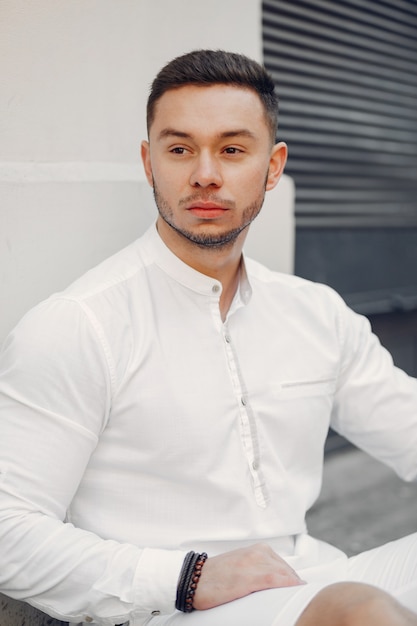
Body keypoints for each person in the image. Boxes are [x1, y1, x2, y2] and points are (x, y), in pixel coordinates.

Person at [0, 49, 416, 626]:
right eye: (179, 149)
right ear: (149, 164)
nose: (205, 174)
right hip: (166, 610)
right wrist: (190, 576)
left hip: (310, 579)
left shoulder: (314, 313)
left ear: (272, 168)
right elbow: (8, 530)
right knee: (361, 612)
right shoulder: (80, 324)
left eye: (232, 149)